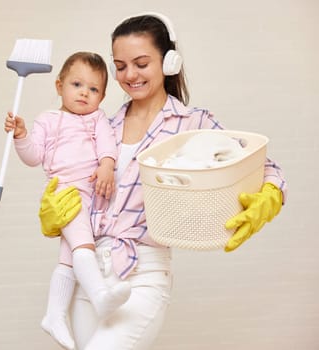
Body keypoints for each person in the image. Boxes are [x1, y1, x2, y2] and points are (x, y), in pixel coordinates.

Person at [37, 12, 287, 350]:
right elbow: (72, 181)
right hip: (89, 276)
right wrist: (57, 215)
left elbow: (265, 166)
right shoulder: (102, 127)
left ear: (168, 62)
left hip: (142, 275)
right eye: (121, 66)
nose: (130, 75)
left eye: (141, 63)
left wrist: (268, 197)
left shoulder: (191, 124)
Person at [4, 51, 132, 350]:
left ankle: (54, 314)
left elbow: (107, 146)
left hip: (91, 196)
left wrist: (106, 165)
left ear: (102, 96)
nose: (85, 93)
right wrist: (21, 136)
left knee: (68, 257)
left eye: (94, 89)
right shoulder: (48, 119)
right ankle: (100, 295)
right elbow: (33, 157)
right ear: (59, 86)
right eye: (77, 85)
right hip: (65, 194)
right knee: (84, 246)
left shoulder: (97, 118)